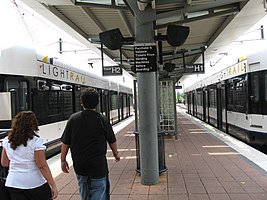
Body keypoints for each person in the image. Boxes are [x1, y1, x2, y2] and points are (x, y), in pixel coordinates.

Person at [60, 87, 120, 200]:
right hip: (98, 166)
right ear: (97, 103)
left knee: (84, 194)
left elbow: (65, 142)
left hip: (80, 166)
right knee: (99, 193)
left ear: (82, 103)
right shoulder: (102, 119)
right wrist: (116, 154)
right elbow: (112, 140)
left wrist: (63, 160)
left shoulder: (73, 119)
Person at [1, 111, 58, 200]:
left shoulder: (7, 141)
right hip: (34, 183)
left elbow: (4, 163)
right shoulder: (36, 142)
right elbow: (42, 165)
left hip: (13, 183)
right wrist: (53, 184)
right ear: (33, 124)